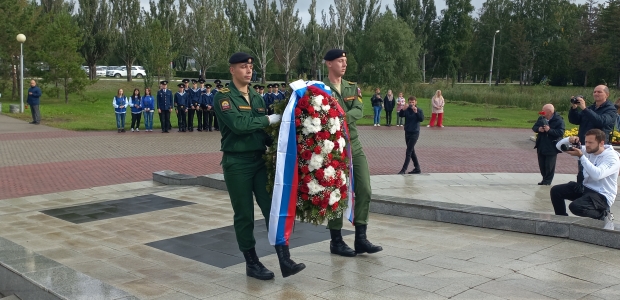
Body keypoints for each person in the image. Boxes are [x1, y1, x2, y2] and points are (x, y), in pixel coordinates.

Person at [214, 52, 304, 280]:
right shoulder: (223, 97)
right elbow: (239, 125)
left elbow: (263, 133)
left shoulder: (255, 96)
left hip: (259, 160)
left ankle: (285, 259)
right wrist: (267, 120)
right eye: (243, 66)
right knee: (244, 214)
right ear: (232, 70)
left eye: (250, 66)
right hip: (237, 163)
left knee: (272, 209)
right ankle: (252, 263)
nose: (248, 70)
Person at [323, 49, 383, 258]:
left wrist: (339, 117)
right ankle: (336, 240)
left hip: (353, 144)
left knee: (365, 188)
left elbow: (359, 110)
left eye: (345, 61)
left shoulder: (351, 87)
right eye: (340, 61)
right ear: (329, 64)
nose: (344, 64)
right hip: (333, 148)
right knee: (335, 194)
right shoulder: (320, 90)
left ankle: (361, 238)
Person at [550, 129, 618, 223]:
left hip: (603, 195)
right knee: (556, 191)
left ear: (601, 143)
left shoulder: (611, 158)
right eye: (586, 142)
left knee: (576, 207)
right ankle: (562, 220)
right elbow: (558, 147)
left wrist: (582, 157)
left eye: (591, 142)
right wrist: (569, 140)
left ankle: (605, 215)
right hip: (586, 188)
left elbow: (597, 175)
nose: (587, 145)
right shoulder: (588, 150)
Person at [568, 85, 617, 188]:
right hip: (585, 145)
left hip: (598, 147)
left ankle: (594, 196)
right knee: (582, 171)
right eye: (594, 92)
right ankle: (580, 192)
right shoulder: (591, 108)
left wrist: (585, 109)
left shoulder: (611, 109)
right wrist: (574, 108)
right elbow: (575, 120)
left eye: (599, 92)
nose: (596, 94)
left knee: (594, 172)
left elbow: (600, 121)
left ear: (607, 95)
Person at [532, 104, 565, 185]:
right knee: (542, 164)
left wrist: (549, 130)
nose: (542, 113)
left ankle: (547, 181)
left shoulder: (559, 120)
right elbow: (534, 127)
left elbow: (561, 132)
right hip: (541, 145)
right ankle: (544, 179)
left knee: (549, 165)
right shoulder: (541, 118)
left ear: (550, 112)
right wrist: (539, 129)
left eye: (544, 111)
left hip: (552, 146)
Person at [398, 96, 424, 174]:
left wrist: (416, 112)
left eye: (413, 102)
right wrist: (403, 109)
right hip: (407, 132)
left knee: (408, 151)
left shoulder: (419, 110)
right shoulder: (407, 110)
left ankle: (403, 170)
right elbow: (401, 115)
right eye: (410, 102)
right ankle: (417, 168)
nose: (411, 104)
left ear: (416, 102)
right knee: (412, 151)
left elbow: (421, 119)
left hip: (415, 133)